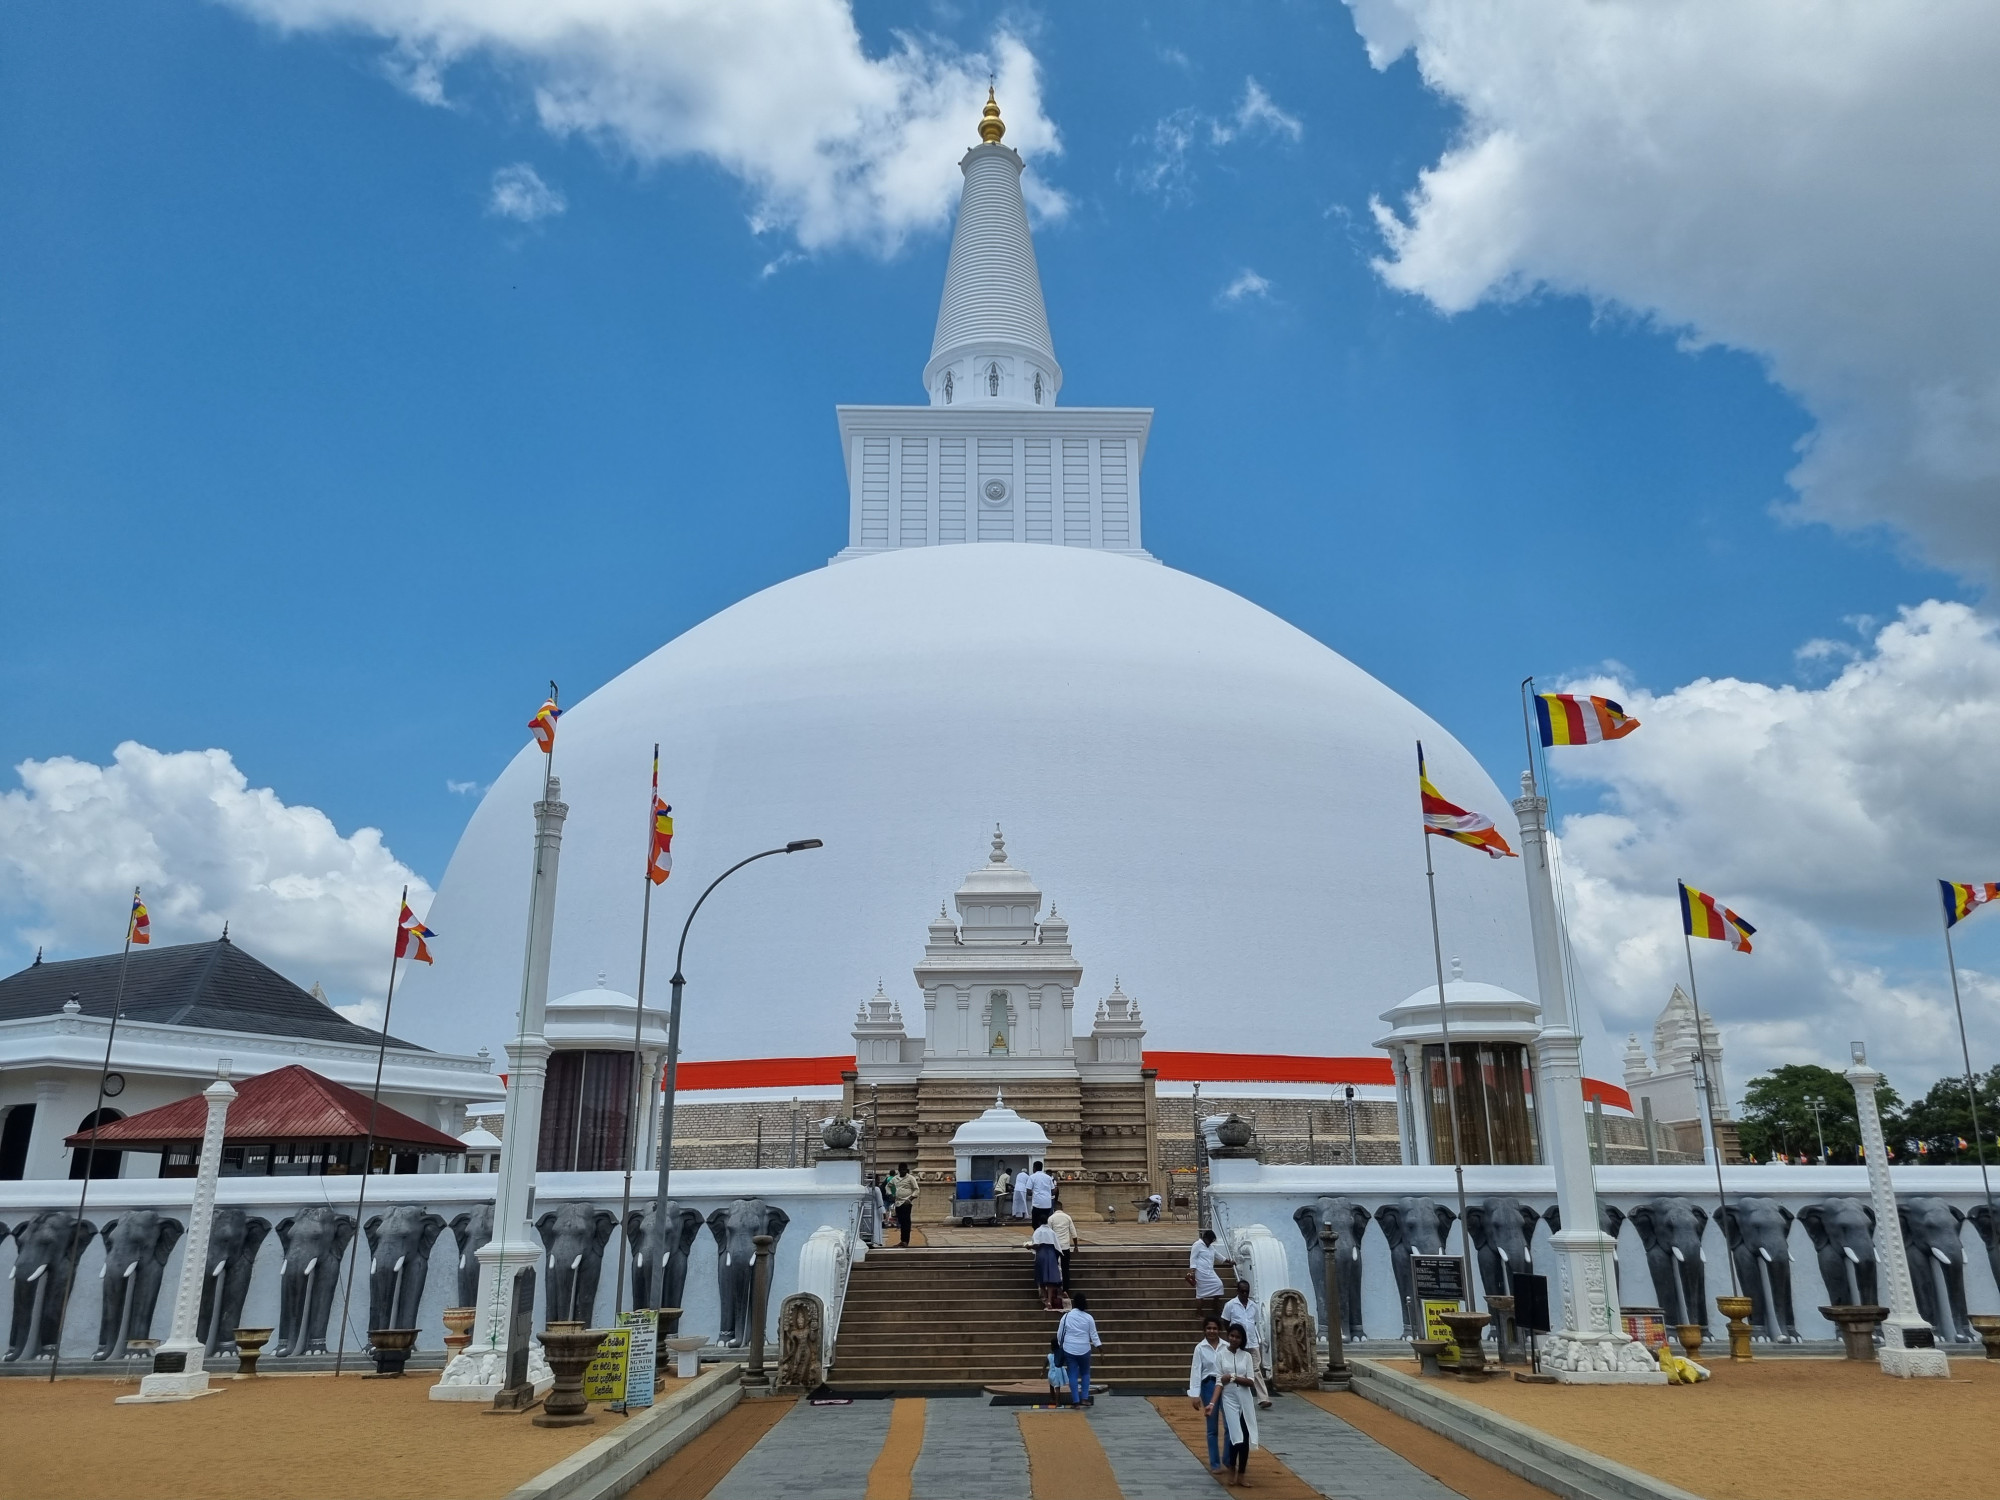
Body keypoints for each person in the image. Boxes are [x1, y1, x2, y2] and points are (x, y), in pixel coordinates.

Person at [1208, 1322, 1259, 1487]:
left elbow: (1251, 1381)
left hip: (1244, 1399)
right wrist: (1211, 1403)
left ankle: (1242, 1474)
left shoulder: (1246, 1356)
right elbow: (1219, 1382)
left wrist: (1233, 1377)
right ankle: (1231, 1468)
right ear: (1228, 1336)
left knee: (1245, 1436)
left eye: (1238, 1337)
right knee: (1235, 1436)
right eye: (1232, 1336)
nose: (1234, 1339)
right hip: (1229, 1399)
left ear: (1242, 1339)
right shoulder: (1221, 1355)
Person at [1220, 1281, 1273, 1408]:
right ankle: (1232, 1395)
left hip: (1252, 1342)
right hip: (1237, 1342)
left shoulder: (1253, 1306)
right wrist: (1233, 1337)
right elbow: (1225, 1322)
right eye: (1242, 1291)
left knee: (1255, 1369)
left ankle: (1263, 1398)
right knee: (1235, 1368)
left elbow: (1254, 1323)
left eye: (1246, 1292)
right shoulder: (1230, 1305)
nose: (1244, 1294)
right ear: (1237, 1291)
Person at [1187, 1315, 1228, 1475]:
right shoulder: (1200, 1348)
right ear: (1204, 1330)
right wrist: (1195, 1394)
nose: (1212, 1331)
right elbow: (1196, 1371)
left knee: (1229, 1425)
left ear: (1219, 1330)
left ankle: (1228, 1459)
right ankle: (1215, 1463)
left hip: (1226, 1385)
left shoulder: (1226, 1346)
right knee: (1212, 1428)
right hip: (1208, 1385)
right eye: (1209, 1328)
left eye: (1215, 1328)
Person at [1055, 1291, 1101, 1407]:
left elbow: (1060, 1334)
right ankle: (1084, 1398)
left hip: (1069, 1348)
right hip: (1085, 1349)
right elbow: (1094, 1335)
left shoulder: (1066, 1316)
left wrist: (1062, 1344)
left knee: (1072, 1375)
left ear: (1074, 1303)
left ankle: (1075, 1401)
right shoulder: (1089, 1318)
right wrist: (1100, 1349)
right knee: (1085, 1373)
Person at [1189, 1229, 1225, 1321]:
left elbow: (1218, 1256)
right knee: (1200, 1294)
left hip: (1210, 1272)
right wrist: (1192, 1271)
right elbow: (1193, 1258)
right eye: (1209, 1241)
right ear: (1205, 1238)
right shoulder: (1197, 1245)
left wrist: (1228, 1261)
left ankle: (1215, 1307)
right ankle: (1198, 1313)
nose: (1210, 1243)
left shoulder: (1210, 1247)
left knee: (1219, 1285)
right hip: (1200, 1273)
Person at [1046, 1192, 1079, 1292]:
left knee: (1054, 1267)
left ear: (1054, 1209)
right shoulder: (1067, 1217)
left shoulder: (1051, 1218)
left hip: (1055, 1247)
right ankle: (1066, 1289)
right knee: (1065, 1268)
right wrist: (1076, 1246)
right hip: (1065, 1246)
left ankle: (1055, 1286)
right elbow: (1074, 1233)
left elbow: (1049, 1233)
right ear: (1062, 1208)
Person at [1031, 1221, 1064, 1310]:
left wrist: (1029, 1247)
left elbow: (1035, 1244)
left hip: (1041, 1254)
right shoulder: (1052, 1232)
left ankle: (1045, 1297)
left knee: (1041, 1276)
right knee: (1050, 1278)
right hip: (1051, 1254)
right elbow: (1057, 1246)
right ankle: (1049, 1300)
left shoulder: (1037, 1231)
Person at [888, 1163, 919, 1246]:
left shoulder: (911, 1178)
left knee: (906, 1222)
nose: (903, 1171)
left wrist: (910, 1199)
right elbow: (888, 1186)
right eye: (901, 1170)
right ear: (899, 1170)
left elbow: (916, 1190)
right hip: (898, 1203)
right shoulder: (895, 1178)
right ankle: (902, 1240)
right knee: (901, 1222)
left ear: (906, 1170)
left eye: (904, 1170)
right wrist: (890, 1195)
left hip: (906, 1203)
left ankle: (906, 1241)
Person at [1027, 1160, 1056, 1227]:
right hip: (1047, 1205)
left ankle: (1038, 1235)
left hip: (1037, 1204)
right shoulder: (1048, 1177)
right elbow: (1053, 1191)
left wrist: (1034, 1193)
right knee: (1045, 1223)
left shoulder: (1032, 1177)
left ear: (1034, 1168)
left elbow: (1028, 1191)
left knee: (1035, 1224)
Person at [1046, 1333, 1071, 1401]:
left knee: (1051, 1386)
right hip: (1057, 1374)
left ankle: (1052, 1398)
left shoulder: (1049, 1356)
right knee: (1057, 1388)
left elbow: (1045, 1364)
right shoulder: (1061, 1355)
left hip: (1050, 1374)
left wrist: (1042, 1372)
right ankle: (1057, 1403)